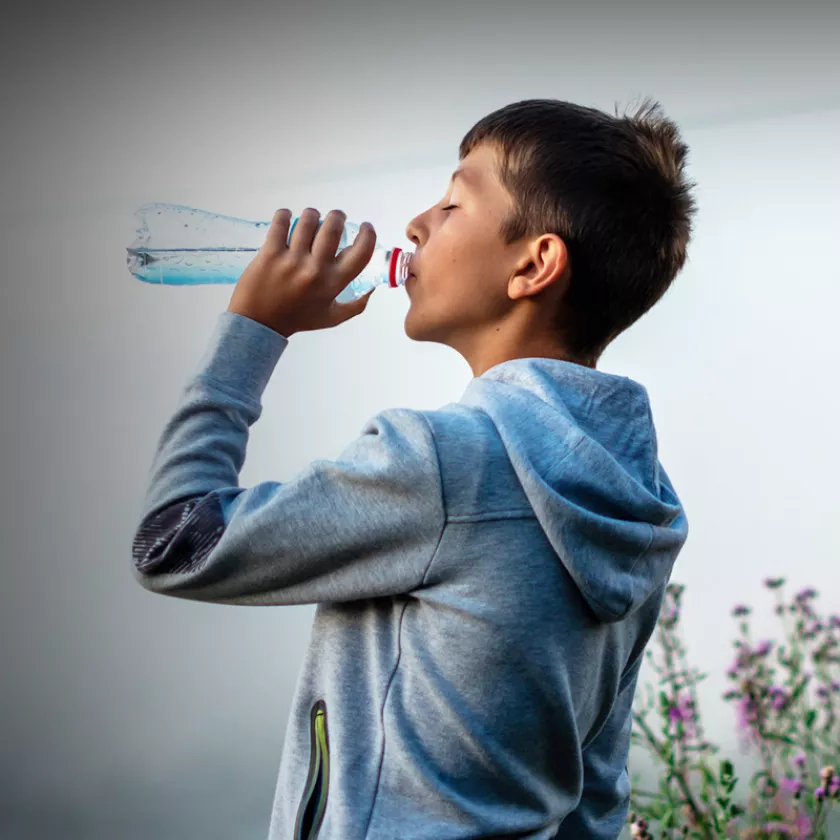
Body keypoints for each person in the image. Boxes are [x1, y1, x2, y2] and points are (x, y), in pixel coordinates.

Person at [131, 98, 696, 840]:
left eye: (455, 202)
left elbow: (173, 544)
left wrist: (252, 333)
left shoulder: (439, 465)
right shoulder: (642, 502)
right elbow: (595, 786)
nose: (416, 225)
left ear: (534, 264)